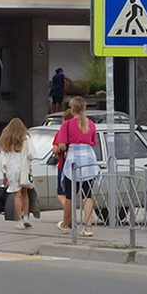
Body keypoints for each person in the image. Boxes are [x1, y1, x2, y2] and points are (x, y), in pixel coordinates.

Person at [56, 96, 100, 237]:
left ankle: (65, 224)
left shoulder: (67, 124)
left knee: (69, 194)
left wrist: (63, 147)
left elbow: (62, 145)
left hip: (73, 159)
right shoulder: (91, 124)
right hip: (89, 158)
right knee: (87, 193)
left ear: (72, 109)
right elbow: (94, 142)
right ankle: (88, 228)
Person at [0, 118, 35, 228]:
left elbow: (2, 160)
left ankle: (19, 221)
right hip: (24, 168)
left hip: (11, 169)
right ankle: (26, 217)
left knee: (16, 195)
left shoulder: (5, 140)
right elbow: (32, 154)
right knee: (24, 193)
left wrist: (4, 174)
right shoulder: (26, 138)